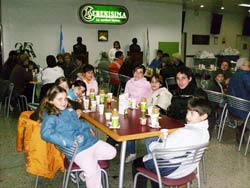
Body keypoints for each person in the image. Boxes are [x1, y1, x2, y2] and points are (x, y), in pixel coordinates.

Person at [39, 85, 116, 188]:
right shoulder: (50, 116)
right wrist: (67, 142)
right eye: (60, 99)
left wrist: (88, 128)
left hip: (89, 141)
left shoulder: (68, 110)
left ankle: (85, 172)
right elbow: (46, 134)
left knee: (112, 152)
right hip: (77, 149)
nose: (64, 102)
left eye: (65, 98)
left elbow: (79, 123)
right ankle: (89, 173)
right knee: (92, 171)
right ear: (51, 101)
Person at [133, 97, 211, 188]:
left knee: (137, 162)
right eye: (188, 112)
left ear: (204, 116)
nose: (187, 116)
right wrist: (167, 140)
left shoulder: (184, 132)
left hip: (172, 169)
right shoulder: (205, 133)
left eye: (192, 113)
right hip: (188, 169)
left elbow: (163, 152)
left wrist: (152, 145)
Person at [124, 65, 151, 163]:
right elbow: (126, 95)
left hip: (143, 110)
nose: (137, 74)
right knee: (127, 126)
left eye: (140, 72)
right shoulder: (129, 82)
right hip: (131, 108)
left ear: (143, 74)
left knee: (133, 128)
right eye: (136, 71)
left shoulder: (147, 84)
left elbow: (151, 96)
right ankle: (132, 152)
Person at [227, 58, 250, 142]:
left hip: (232, 108)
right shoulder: (246, 76)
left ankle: (242, 128)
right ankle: (242, 128)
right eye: (249, 65)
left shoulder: (234, 75)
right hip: (244, 109)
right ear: (242, 66)